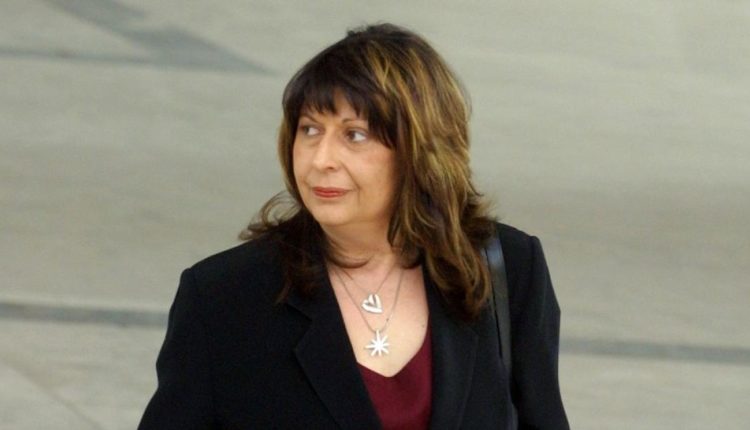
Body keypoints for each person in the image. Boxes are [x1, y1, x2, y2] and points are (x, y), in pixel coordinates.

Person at [139, 23, 569, 429]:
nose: (321, 159)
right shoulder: (224, 296)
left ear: (420, 149)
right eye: (310, 130)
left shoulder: (507, 269)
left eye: (355, 135)